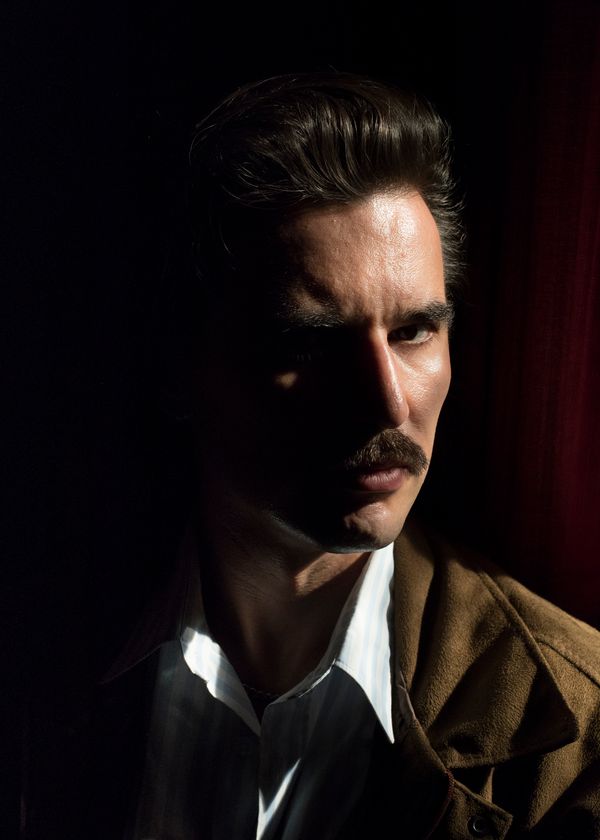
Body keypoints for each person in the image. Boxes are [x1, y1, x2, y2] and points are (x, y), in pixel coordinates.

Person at [22, 73, 600, 839]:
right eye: (310, 343)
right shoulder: (36, 653)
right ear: (177, 365)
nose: (387, 403)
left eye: (414, 331)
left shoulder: (576, 735)